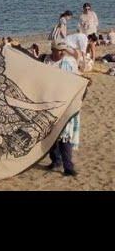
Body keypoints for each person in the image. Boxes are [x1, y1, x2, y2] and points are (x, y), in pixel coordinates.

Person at [44, 41, 81, 177]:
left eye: (63, 50)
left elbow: (77, 78)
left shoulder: (69, 62)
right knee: (51, 135)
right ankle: (56, 161)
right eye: (58, 50)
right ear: (52, 50)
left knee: (65, 136)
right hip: (49, 102)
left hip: (66, 101)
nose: (61, 52)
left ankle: (68, 167)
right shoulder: (46, 62)